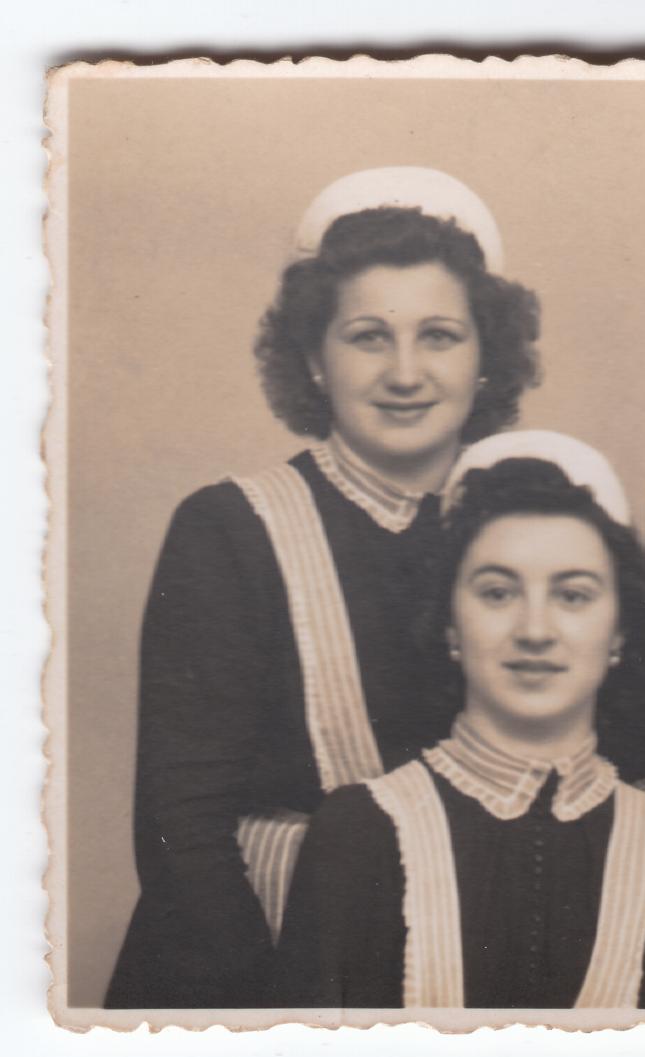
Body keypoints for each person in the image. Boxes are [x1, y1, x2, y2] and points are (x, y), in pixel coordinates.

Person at [106, 167, 542, 1008]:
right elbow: (181, 829)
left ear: (487, 357)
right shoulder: (229, 529)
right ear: (312, 358)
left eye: (440, 336)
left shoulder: (530, 532)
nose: (405, 372)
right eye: (368, 337)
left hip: (473, 964)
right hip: (259, 959)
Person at [277, 438, 645, 1008]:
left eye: (573, 596)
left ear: (620, 630)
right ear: (449, 622)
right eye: (497, 593)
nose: (535, 630)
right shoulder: (362, 831)